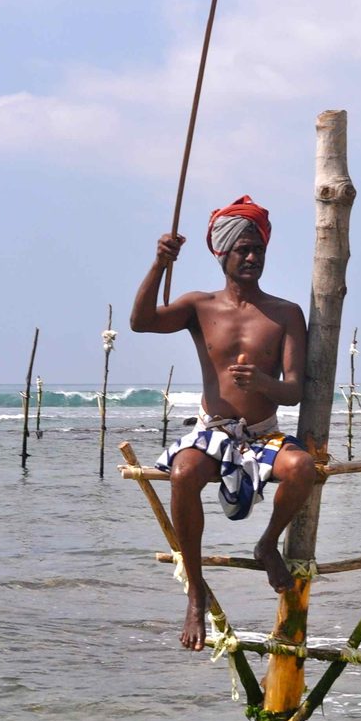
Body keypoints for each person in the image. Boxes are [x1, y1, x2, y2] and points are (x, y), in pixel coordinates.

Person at [130, 195, 317, 651]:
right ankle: (195, 591)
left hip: (263, 432)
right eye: (243, 250)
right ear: (223, 254)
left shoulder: (286, 312)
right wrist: (158, 265)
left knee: (302, 469)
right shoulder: (200, 305)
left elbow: (295, 390)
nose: (252, 257)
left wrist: (263, 382)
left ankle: (267, 543)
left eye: (258, 250)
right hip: (214, 429)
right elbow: (140, 323)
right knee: (183, 473)